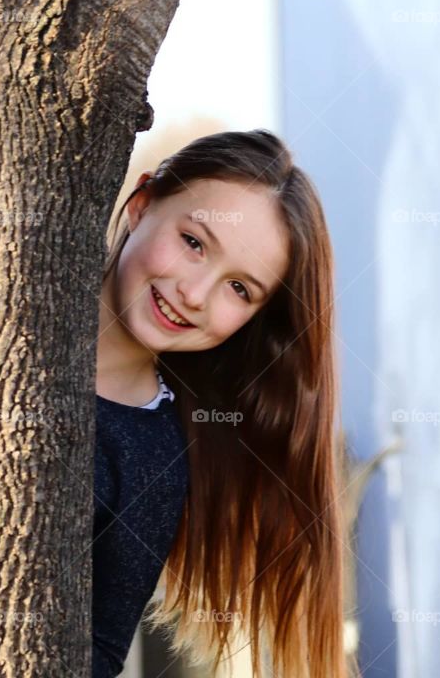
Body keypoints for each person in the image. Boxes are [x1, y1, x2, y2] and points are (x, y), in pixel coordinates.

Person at [93, 128, 353, 678]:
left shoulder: (154, 461)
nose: (194, 293)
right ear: (142, 205)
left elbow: (91, 654)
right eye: (194, 243)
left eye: (239, 289)